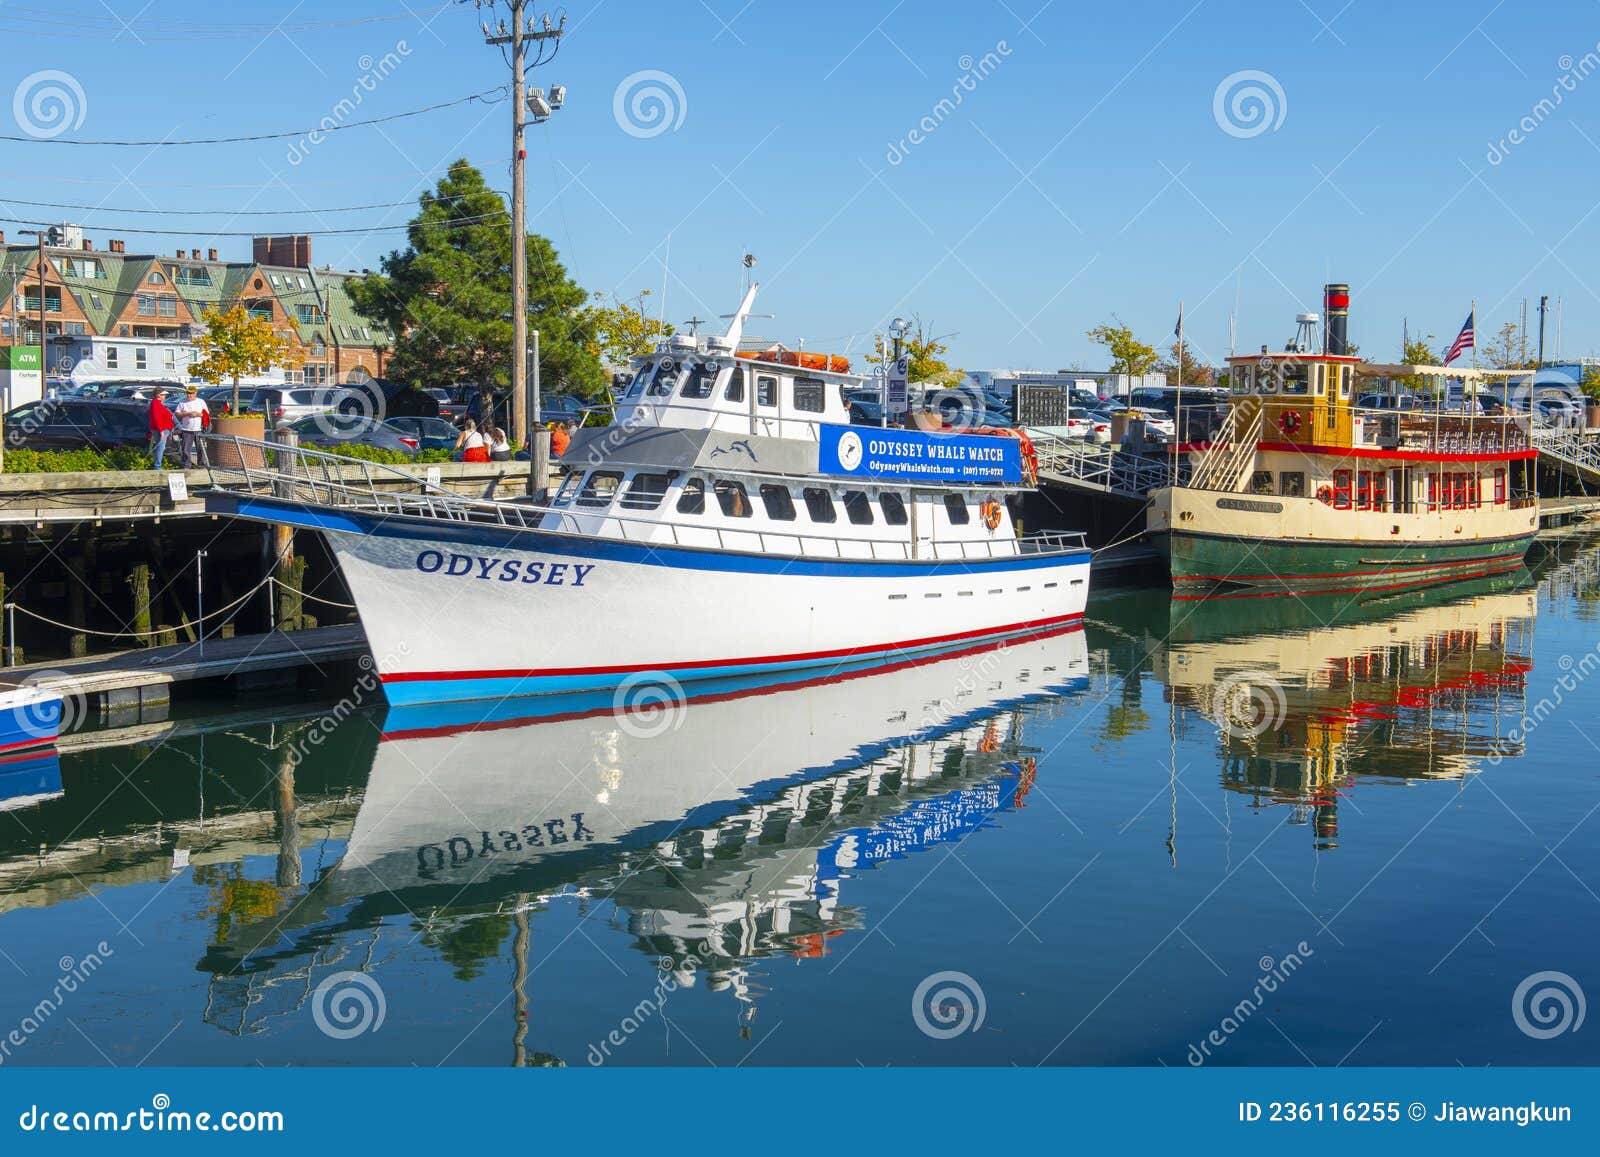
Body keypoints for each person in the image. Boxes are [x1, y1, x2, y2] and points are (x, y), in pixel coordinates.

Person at [173, 384, 210, 468]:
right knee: (186, 449)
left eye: (191, 393)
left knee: (200, 448)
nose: (189, 395)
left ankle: (202, 465)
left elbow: (206, 414)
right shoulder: (182, 402)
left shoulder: (201, 402)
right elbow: (177, 413)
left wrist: (198, 414)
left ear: (195, 393)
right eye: (188, 393)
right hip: (186, 429)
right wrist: (188, 414)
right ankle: (186, 465)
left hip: (199, 429)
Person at [148, 390, 176, 469]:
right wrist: (161, 430)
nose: (164, 396)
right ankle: (157, 466)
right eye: (163, 395)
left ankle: (157, 466)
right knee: (160, 447)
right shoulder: (155, 403)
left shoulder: (157, 403)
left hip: (164, 428)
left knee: (161, 447)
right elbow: (157, 418)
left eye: (164, 395)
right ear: (158, 395)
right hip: (161, 429)